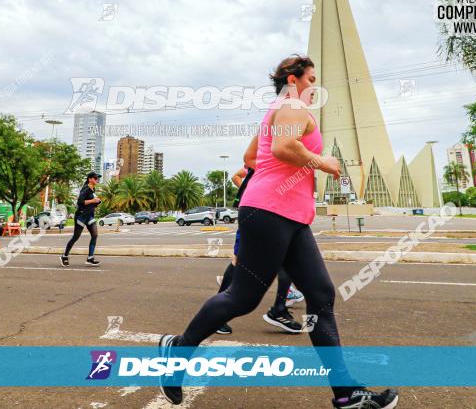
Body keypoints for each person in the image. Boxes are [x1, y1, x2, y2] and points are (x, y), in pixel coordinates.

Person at [159, 55, 398, 409]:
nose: (315, 86)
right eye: (311, 78)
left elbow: (254, 157)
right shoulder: (292, 105)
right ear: (293, 79)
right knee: (243, 297)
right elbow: (284, 148)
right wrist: (323, 163)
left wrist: (285, 171)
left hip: (289, 215)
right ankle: (177, 352)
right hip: (271, 211)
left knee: (320, 294)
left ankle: (345, 391)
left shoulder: (279, 110)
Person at [215, 157, 304, 336]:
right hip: (256, 210)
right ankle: (218, 314)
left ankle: (279, 308)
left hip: (275, 210)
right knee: (238, 259)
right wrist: (250, 191)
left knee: (286, 257)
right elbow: (240, 171)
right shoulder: (261, 154)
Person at [61, 172, 102, 267]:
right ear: (90, 179)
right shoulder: (85, 189)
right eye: (95, 178)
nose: (97, 180)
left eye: (98, 178)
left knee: (95, 235)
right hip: (81, 216)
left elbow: (91, 203)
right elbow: (80, 202)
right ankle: (64, 256)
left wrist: (97, 202)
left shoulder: (92, 189)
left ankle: (90, 258)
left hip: (89, 216)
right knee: (76, 237)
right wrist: (93, 200)